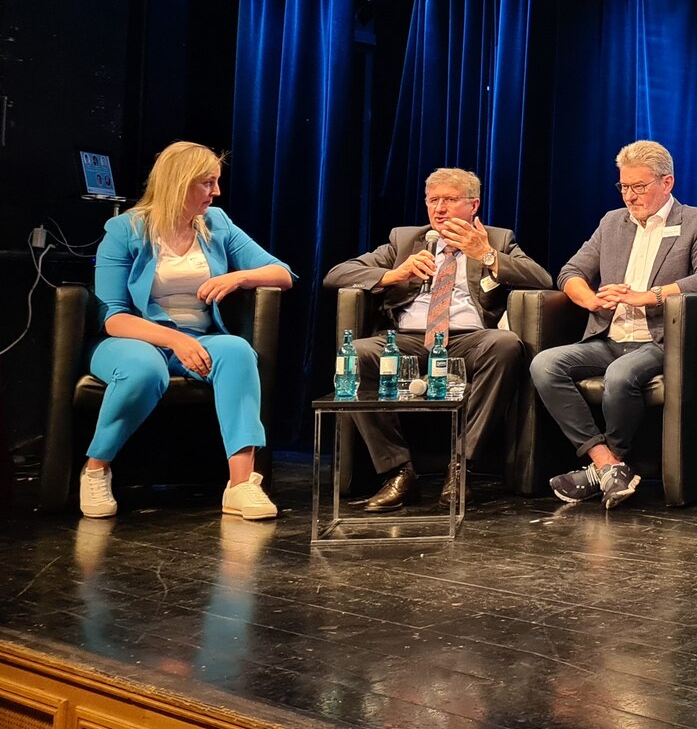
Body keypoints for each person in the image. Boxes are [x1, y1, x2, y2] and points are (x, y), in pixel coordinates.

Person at [83, 141, 293, 521]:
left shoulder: (217, 224)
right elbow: (113, 317)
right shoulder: (124, 229)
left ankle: (241, 485)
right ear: (179, 183)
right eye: (207, 183)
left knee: (237, 352)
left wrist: (239, 276)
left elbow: (282, 274)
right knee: (145, 369)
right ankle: (96, 468)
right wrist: (175, 340)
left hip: (199, 338)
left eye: (216, 182)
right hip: (132, 339)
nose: (216, 192)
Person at [323, 167, 551, 511]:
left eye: (449, 200)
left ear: (473, 205)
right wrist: (394, 274)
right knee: (356, 353)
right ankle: (398, 471)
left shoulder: (498, 239)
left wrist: (486, 255)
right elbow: (336, 274)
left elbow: (542, 279)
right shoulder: (405, 240)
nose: (439, 208)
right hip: (407, 340)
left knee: (505, 345)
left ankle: (461, 466)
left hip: (467, 340)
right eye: (433, 200)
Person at [533, 140, 697, 509]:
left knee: (620, 375)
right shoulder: (612, 223)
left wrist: (651, 295)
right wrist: (590, 299)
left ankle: (610, 467)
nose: (630, 196)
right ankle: (607, 464)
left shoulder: (696, 221)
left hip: (659, 341)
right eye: (624, 186)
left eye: (639, 187)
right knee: (544, 364)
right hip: (608, 335)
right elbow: (571, 272)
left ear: (666, 182)